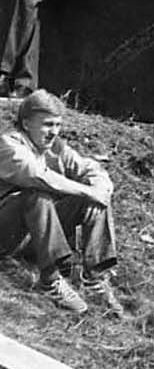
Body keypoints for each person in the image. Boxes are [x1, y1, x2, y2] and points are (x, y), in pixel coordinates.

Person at [0, 89, 121, 316]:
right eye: (47, 125)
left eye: (57, 125)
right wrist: (87, 191)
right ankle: (51, 280)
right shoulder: (7, 145)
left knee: (94, 200)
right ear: (26, 124)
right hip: (6, 235)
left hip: (37, 234)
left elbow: (91, 168)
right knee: (36, 196)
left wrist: (99, 190)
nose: (53, 132)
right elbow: (35, 174)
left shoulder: (56, 149)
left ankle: (94, 278)